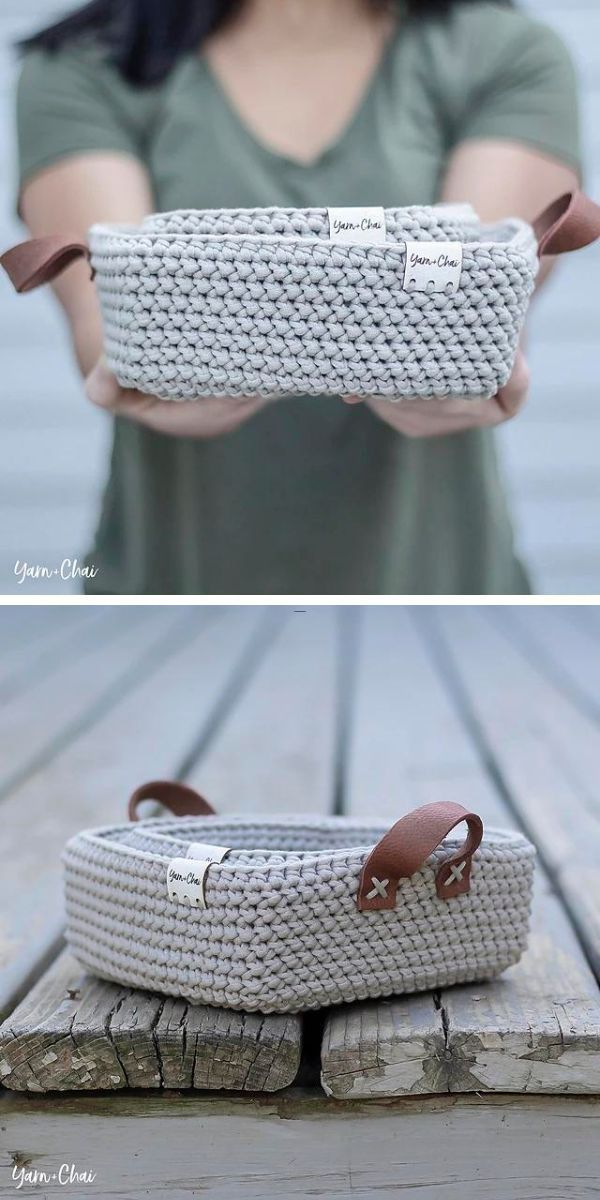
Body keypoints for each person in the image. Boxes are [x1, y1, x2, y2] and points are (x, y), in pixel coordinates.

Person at [16, 0, 581, 594]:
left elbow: (466, 288)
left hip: (440, 588)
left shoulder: (504, 55)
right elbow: (109, 324)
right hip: (169, 589)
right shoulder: (85, 65)